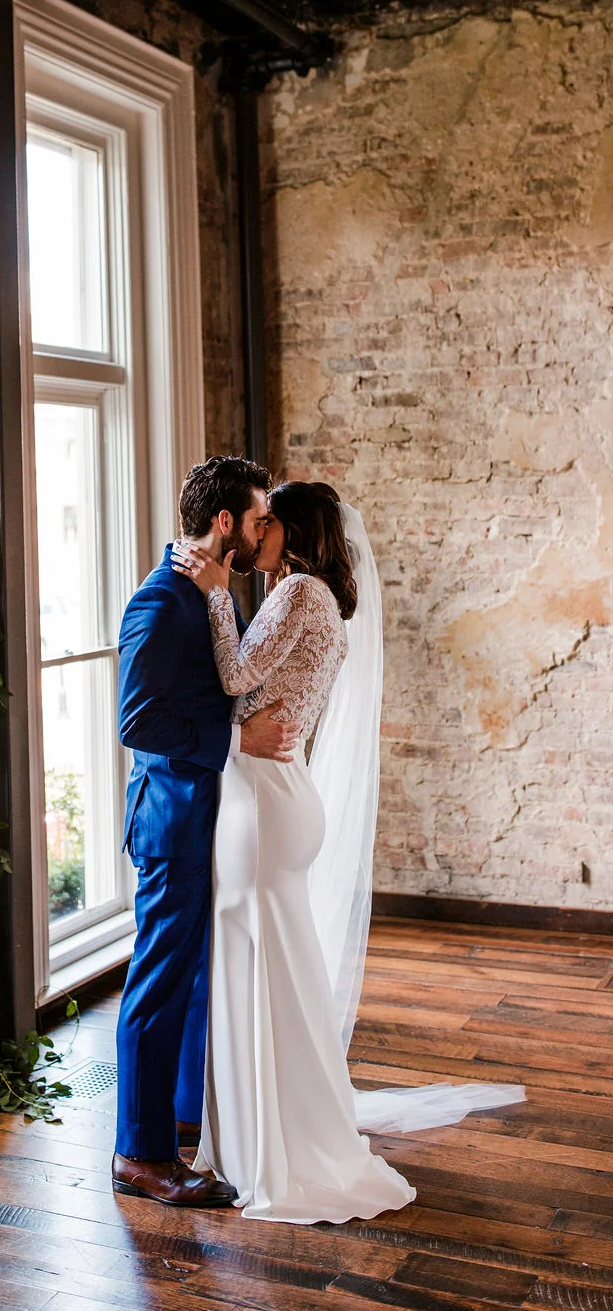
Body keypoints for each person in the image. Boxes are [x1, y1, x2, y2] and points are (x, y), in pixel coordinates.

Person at [172, 480, 523, 1223]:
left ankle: (271, 1141)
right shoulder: (324, 598)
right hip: (281, 789)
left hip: (264, 797)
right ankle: (270, 1125)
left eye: (267, 522)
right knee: (275, 965)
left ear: (290, 532)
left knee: (259, 962)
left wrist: (209, 590)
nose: (256, 533)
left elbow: (236, 676)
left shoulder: (298, 590)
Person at [111, 457, 301, 1208]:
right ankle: (140, 1153)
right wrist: (235, 742)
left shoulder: (212, 594)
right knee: (158, 982)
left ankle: (186, 1118)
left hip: (213, 817)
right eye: (257, 520)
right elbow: (138, 722)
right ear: (224, 523)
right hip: (171, 819)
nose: (263, 534)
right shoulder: (157, 605)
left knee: (195, 978)